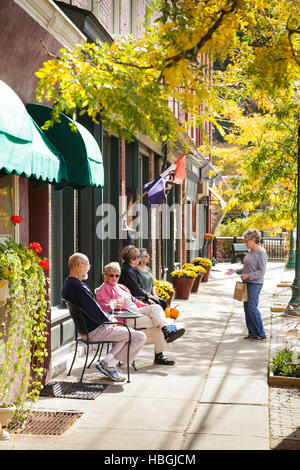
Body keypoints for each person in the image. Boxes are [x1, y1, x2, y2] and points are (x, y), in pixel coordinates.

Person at [62, 253, 146, 382]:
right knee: (140, 337)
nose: (89, 268)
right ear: (79, 266)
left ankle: (107, 361)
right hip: (94, 330)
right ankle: (110, 364)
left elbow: (92, 309)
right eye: (87, 265)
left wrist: (108, 319)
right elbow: (94, 310)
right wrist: (109, 320)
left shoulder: (71, 284)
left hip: (89, 329)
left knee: (125, 334)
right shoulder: (78, 286)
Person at [96, 261, 185, 365]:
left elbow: (134, 301)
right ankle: (160, 351)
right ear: (105, 275)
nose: (114, 278)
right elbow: (102, 306)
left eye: (117, 275)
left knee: (156, 308)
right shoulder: (102, 289)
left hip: (136, 312)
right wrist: (115, 304)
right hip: (125, 317)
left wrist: (147, 307)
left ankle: (165, 331)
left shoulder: (121, 287)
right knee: (156, 323)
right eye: (111, 275)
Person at [226, 228, 267, 340]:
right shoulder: (250, 252)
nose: (245, 243)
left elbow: (262, 271)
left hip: (255, 284)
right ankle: (252, 333)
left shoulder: (261, 253)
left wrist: (248, 276)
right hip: (246, 283)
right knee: (246, 308)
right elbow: (246, 267)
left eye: (246, 241)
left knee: (252, 307)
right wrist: (236, 270)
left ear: (253, 239)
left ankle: (261, 333)